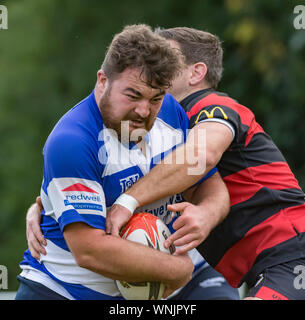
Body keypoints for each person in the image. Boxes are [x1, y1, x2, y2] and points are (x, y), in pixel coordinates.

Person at [17, 24, 235, 300]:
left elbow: (209, 187)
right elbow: (89, 250)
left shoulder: (171, 112)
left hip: (170, 280)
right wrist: (176, 269)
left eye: (155, 98)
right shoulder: (72, 141)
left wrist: (206, 214)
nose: (144, 110)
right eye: (132, 95)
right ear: (102, 80)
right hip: (68, 290)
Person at [106, 27, 305, 300]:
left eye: (166, 57)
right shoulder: (160, 128)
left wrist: (127, 201)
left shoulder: (211, 105)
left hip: (292, 252)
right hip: (268, 265)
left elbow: (201, 156)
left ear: (196, 73)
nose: (152, 66)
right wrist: (47, 206)